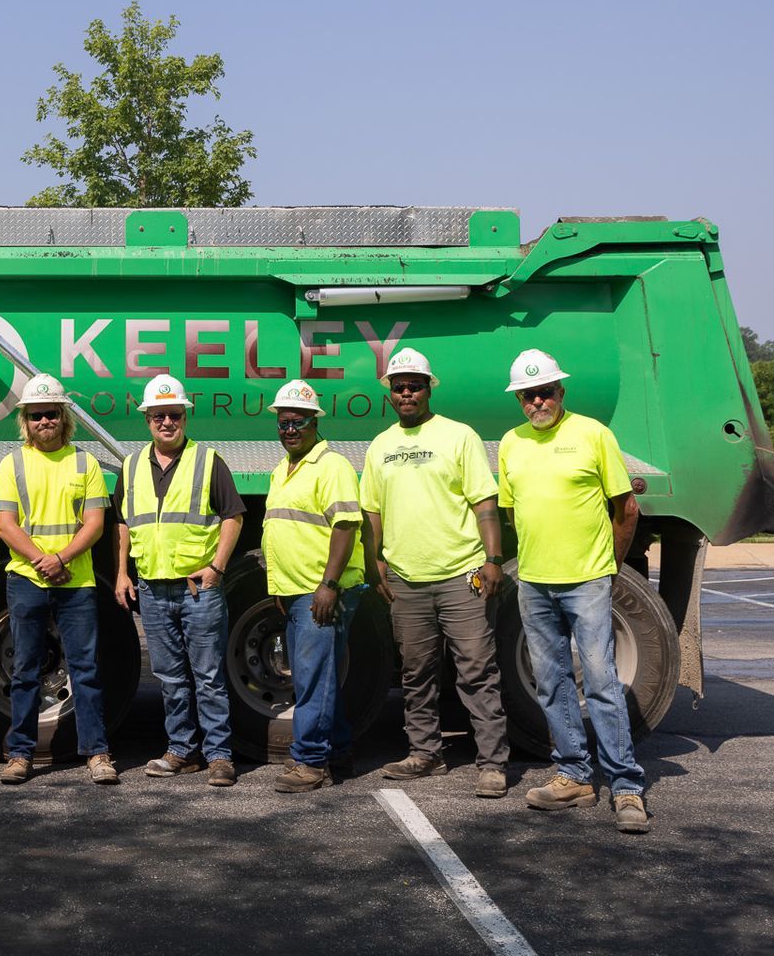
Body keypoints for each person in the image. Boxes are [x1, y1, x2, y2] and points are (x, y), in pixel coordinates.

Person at [496, 349, 651, 834]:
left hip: (586, 580)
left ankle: (626, 786)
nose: (538, 400)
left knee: (602, 682)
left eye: (546, 391)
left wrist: (609, 568)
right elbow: (511, 510)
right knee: (552, 682)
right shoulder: (510, 443)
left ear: (562, 392)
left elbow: (626, 510)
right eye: (529, 394)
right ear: (519, 399)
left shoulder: (593, 434)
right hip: (535, 582)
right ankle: (574, 776)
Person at [361, 348, 511, 798]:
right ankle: (425, 754)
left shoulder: (459, 436)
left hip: (461, 576)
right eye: (399, 386)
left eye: (415, 385)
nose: (407, 392)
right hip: (407, 579)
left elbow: (485, 503)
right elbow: (371, 511)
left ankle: (492, 764)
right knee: (416, 671)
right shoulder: (381, 446)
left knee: (477, 670)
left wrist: (494, 559)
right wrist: (377, 562)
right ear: (390, 393)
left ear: (430, 388)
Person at [112, 375, 245, 788]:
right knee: (170, 678)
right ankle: (182, 751)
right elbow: (122, 523)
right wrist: (121, 573)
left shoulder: (207, 460)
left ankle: (220, 755)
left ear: (185, 416)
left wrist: (217, 568)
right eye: (158, 416)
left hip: (196, 588)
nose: (167, 422)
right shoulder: (132, 465)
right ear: (147, 420)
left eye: (174, 415)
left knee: (207, 676)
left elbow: (233, 516)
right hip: (152, 588)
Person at [0, 374, 117, 785]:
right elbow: (6, 525)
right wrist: (42, 560)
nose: (44, 421)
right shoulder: (12, 464)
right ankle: (21, 754)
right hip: (27, 579)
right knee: (25, 669)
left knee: (85, 669)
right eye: (36, 415)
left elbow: (95, 524)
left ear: (64, 419)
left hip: (75, 579)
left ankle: (97, 754)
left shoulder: (86, 463)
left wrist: (60, 558)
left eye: (51, 414)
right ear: (24, 422)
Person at [262, 379, 369, 793]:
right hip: (295, 588)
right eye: (284, 423)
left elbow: (345, 527)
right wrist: (278, 584)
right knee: (319, 676)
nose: (290, 430)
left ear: (314, 422)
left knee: (312, 678)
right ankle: (337, 748)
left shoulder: (331, 465)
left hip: (320, 591)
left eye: (298, 422)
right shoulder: (282, 468)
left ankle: (310, 762)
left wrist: (328, 585)